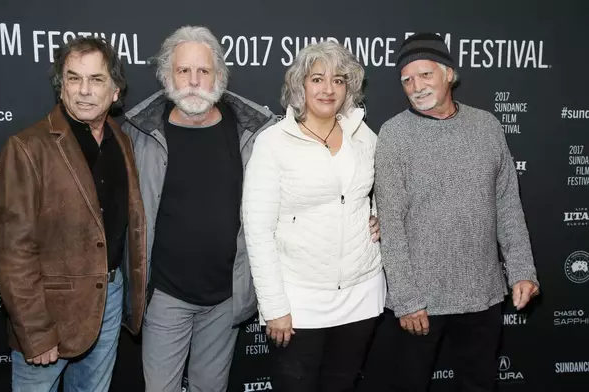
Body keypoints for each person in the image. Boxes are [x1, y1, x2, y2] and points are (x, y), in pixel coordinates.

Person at [374, 33, 540, 392]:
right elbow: (391, 224)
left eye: (425, 75)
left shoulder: (488, 126)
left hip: (483, 294)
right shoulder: (393, 135)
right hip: (420, 303)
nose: (416, 86)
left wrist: (522, 271)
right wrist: (406, 300)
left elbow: (508, 206)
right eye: (407, 80)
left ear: (449, 74)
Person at [121, 25, 277, 392]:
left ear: (219, 77)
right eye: (183, 71)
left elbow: (290, 196)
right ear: (166, 77)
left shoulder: (253, 131)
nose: (193, 81)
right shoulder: (138, 133)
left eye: (203, 71)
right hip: (165, 296)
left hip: (226, 297)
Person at [0, 37, 147, 392]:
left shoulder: (121, 140)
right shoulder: (28, 148)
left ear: (116, 91)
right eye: (74, 79)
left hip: (109, 299)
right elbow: (12, 250)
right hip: (50, 314)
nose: (84, 91)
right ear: (61, 88)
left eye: (96, 80)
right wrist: (35, 330)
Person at [242, 41, 386, 392]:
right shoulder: (272, 142)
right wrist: (274, 306)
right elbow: (258, 231)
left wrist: (381, 216)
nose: (328, 89)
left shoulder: (364, 135)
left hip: (361, 293)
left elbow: (376, 189)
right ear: (300, 85)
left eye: (338, 80)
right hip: (298, 299)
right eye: (317, 78)